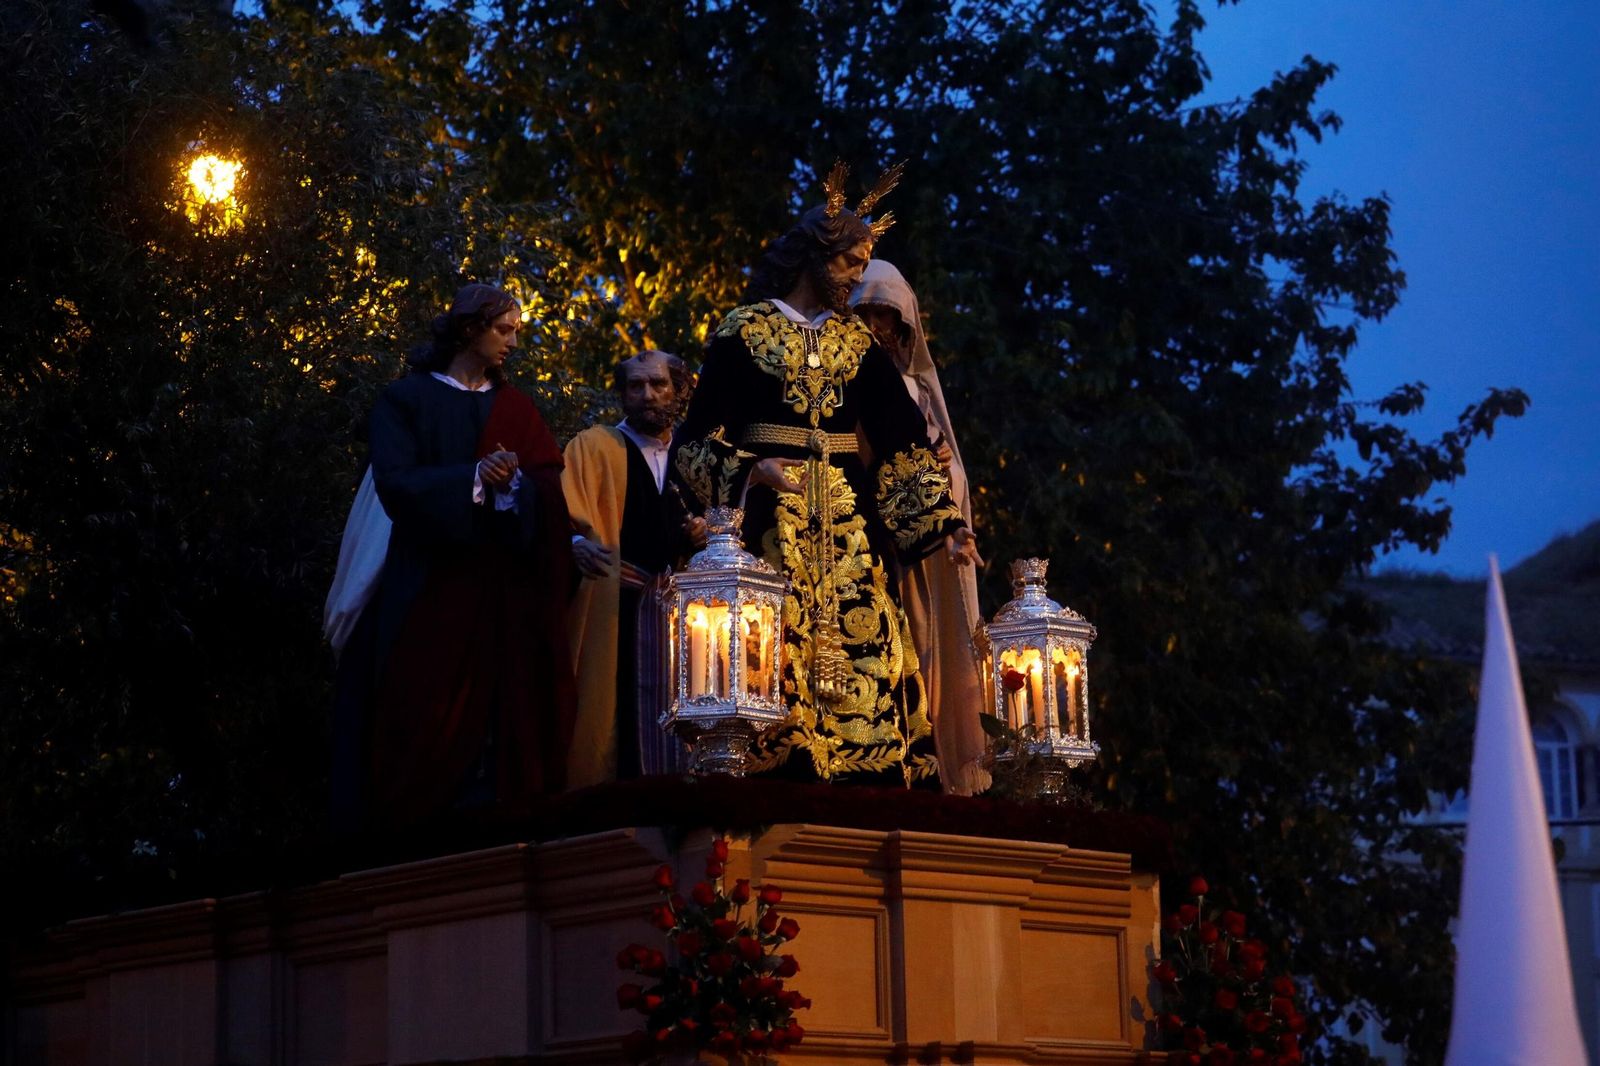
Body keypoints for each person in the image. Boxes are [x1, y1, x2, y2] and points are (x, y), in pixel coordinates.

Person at [672, 169, 981, 787]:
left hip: (851, 529)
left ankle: (870, 777)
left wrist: (942, 524)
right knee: (770, 645)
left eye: (860, 264)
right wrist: (750, 469)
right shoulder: (744, 331)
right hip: (768, 527)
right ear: (814, 257)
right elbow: (692, 443)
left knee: (869, 639)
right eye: (847, 263)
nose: (853, 277)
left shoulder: (856, 344)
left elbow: (901, 442)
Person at [332, 283, 576, 829]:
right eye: (504, 329)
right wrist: (472, 478)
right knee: (418, 706)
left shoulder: (515, 408)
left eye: (517, 330)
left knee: (500, 714)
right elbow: (396, 483)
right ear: (470, 330)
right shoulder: (407, 399)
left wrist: (514, 488)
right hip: (427, 582)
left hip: (499, 589)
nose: (514, 341)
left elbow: (546, 488)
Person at [851, 260, 991, 795]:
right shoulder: (844, 379)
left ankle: (946, 762)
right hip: (872, 536)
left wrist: (948, 502)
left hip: (927, 542)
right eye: (865, 313)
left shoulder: (917, 387)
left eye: (886, 317)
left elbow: (949, 465)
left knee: (937, 645)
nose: (875, 328)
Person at [562, 350, 703, 787]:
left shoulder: (696, 455)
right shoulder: (593, 447)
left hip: (684, 616)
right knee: (610, 716)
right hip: (614, 608)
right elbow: (560, 520)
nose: (647, 395)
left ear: (679, 390)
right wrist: (575, 545)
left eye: (659, 384)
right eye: (635, 386)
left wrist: (703, 531)